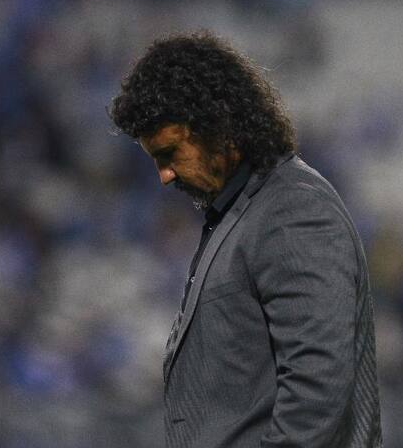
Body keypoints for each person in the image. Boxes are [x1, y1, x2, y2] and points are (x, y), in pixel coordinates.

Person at [109, 31, 382, 448]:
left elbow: (316, 391)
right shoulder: (241, 213)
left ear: (216, 126)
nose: (164, 175)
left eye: (169, 153)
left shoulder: (292, 211)